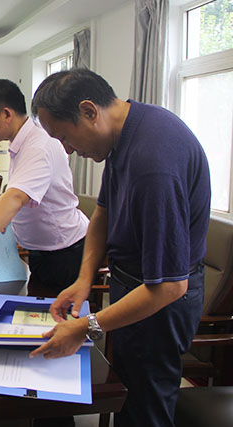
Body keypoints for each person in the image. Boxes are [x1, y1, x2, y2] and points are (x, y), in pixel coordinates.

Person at [29, 69, 210, 427]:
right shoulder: (124, 132)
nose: (68, 150)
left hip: (159, 301)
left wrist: (86, 327)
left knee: (146, 407)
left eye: (64, 137)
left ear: (89, 111)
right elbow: (103, 213)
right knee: (125, 394)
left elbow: (170, 286)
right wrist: (84, 280)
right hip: (132, 285)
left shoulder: (154, 163)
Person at [0, 79, 89, 296]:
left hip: (64, 252)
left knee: (53, 313)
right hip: (42, 251)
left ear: (6, 114)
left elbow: (15, 197)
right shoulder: (22, 143)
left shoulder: (38, 146)